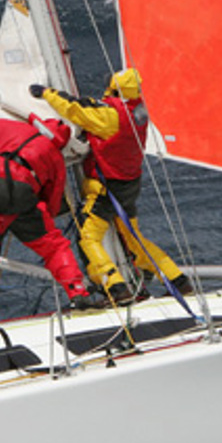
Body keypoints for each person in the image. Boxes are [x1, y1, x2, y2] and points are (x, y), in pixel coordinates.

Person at [31, 68, 193, 305]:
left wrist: (46, 93)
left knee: (88, 237)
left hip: (107, 189)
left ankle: (116, 287)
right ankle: (178, 280)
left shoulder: (110, 116)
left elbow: (75, 108)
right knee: (133, 238)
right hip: (130, 184)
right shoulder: (139, 112)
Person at [0, 114, 98, 328]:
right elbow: (53, 201)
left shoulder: (16, 130)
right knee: (54, 248)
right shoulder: (55, 158)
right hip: (22, 196)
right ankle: (77, 291)